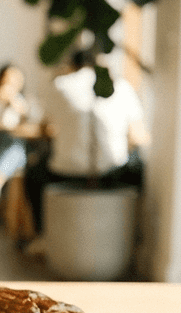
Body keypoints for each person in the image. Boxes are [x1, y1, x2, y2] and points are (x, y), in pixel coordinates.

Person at [24, 51, 151, 236]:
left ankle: (43, 235)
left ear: (70, 65)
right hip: (113, 174)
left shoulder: (60, 85)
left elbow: (44, 128)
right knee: (137, 166)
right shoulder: (122, 87)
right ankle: (133, 235)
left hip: (65, 173)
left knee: (33, 172)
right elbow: (138, 136)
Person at [0, 63, 46, 202]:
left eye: (16, 79)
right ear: (0, 80)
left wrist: (22, 110)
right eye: (8, 79)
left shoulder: (25, 101)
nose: (12, 83)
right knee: (18, 155)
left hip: (17, 145)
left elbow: (37, 124)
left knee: (17, 148)